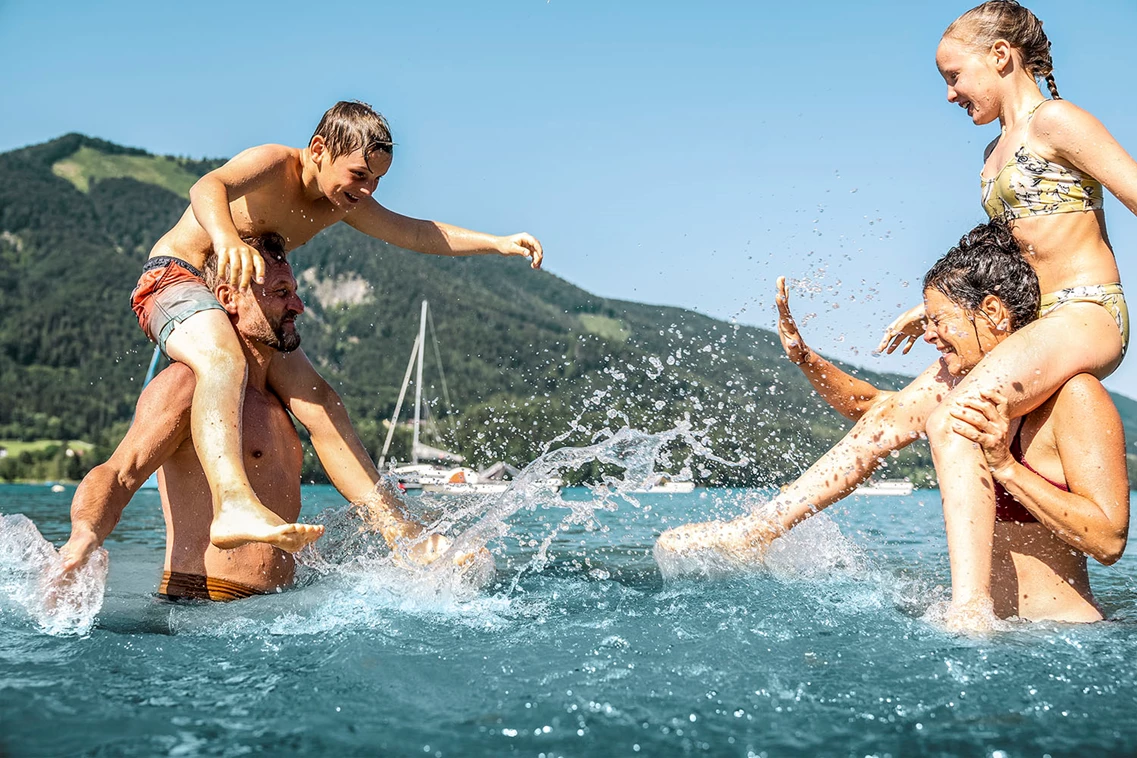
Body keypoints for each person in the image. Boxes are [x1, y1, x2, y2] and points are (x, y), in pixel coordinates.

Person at [664, 0, 1133, 628]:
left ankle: (970, 608)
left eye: (953, 76)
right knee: (890, 417)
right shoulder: (994, 153)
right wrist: (936, 307)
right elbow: (1014, 253)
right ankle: (758, 530)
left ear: (1000, 57)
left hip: (1085, 312)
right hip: (1035, 319)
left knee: (959, 420)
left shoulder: (1057, 122)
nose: (949, 95)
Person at [657, 220, 1130, 624]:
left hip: (1061, 639)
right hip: (982, 636)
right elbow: (876, 414)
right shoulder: (957, 393)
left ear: (992, 312)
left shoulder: (1075, 397)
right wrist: (805, 359)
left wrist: (1006, 467)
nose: (928, 335)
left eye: (939, 320)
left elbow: (1108, 540)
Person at [132, 100, 544, 554]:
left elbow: (416, 232)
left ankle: (398, 533)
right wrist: (226, 238)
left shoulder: (342, 202)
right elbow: (207, 186)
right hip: (175, 277)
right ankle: (233, 504)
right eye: (359, 175)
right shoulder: (273, 163)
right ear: (318, 148)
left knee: (322, 402)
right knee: (222, 360)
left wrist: (497, 243)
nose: (368, 190)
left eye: (378, 180)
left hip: (243, 293)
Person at [62, 235, 469, 600]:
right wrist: (85, 535)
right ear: (229, 298)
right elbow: (118, 474)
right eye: (280, 292)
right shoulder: (188, 385)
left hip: (276, 609)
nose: (298, 305)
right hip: (205, 611)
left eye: (293, 291)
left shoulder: (281, 399)